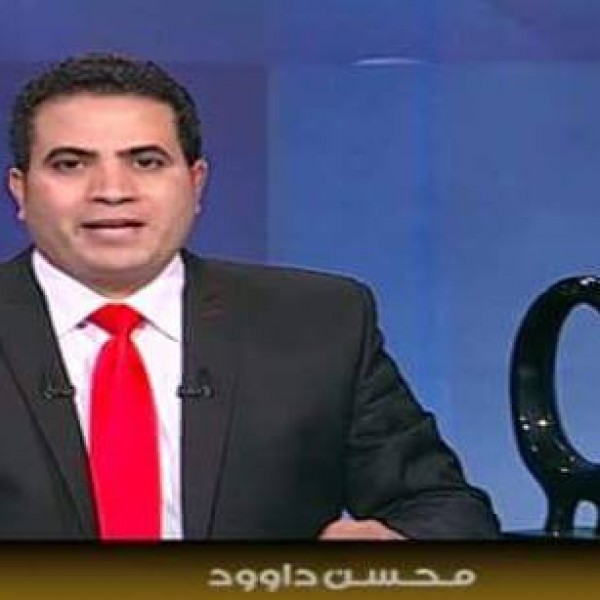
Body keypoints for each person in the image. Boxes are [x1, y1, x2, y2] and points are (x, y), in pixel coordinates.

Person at [0, 52, 500, 540]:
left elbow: (445, 508)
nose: (112, 191)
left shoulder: (319, 322)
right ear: (20, 190)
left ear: (196, 183)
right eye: (70, 164)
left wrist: (394, 543)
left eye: (147, 162)